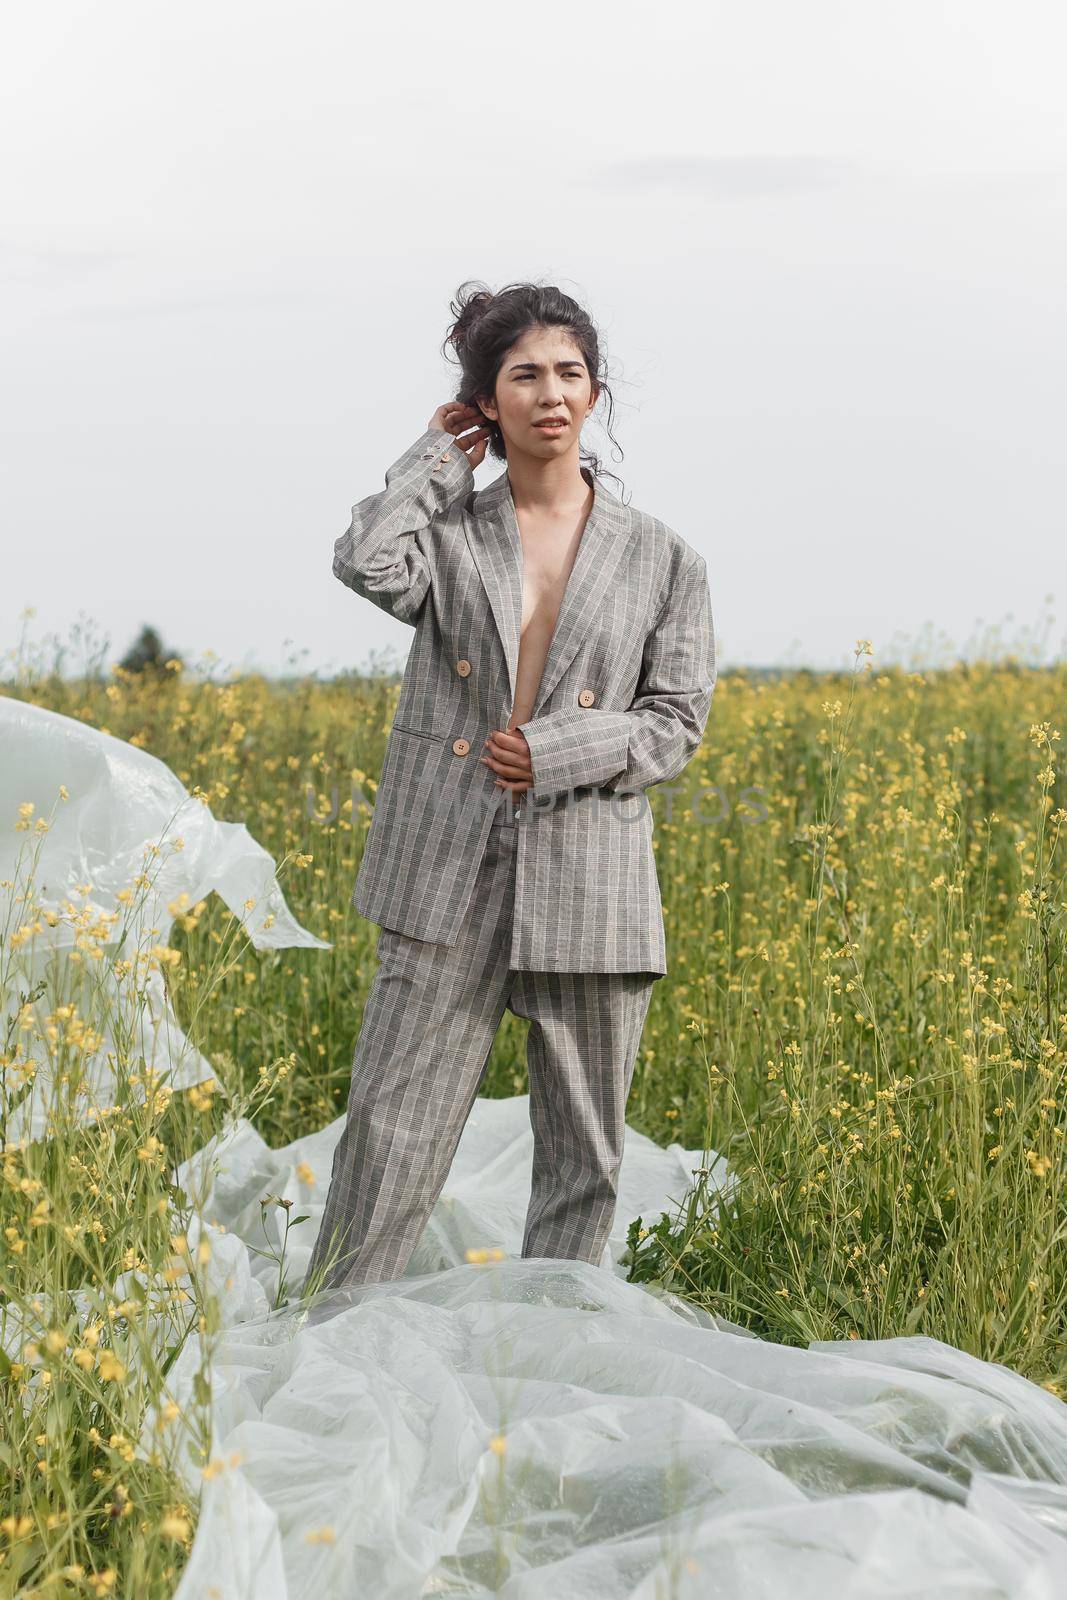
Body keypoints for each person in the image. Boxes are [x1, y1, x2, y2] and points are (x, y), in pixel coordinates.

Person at [304, 280, 716, 1293]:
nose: (549, 394)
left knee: (584, 1156)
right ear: (486, 399)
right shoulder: (450, 536)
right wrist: (437, 458)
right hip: (445, 864)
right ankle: (331, 1351)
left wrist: (560, 748)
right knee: (388, 1136)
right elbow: (365, 561)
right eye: (522, 375)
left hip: (590, 866)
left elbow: (676, 723)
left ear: (595, 390)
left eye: (569, 373)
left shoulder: (665, 559)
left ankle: (554, 1365)